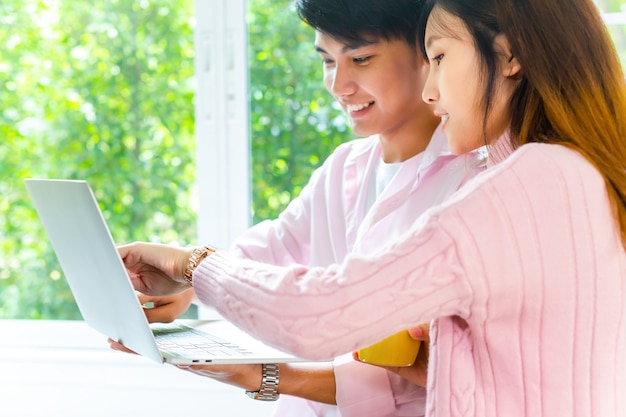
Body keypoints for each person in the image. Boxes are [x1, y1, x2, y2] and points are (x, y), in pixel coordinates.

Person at [116, 0, 626, 415]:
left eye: (440, 58)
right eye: (326, 60)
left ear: (509, 54)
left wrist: (192, 264)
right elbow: (530, 366)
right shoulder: (566, 173)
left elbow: (314, 315)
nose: (431, 89)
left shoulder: (524, 182)